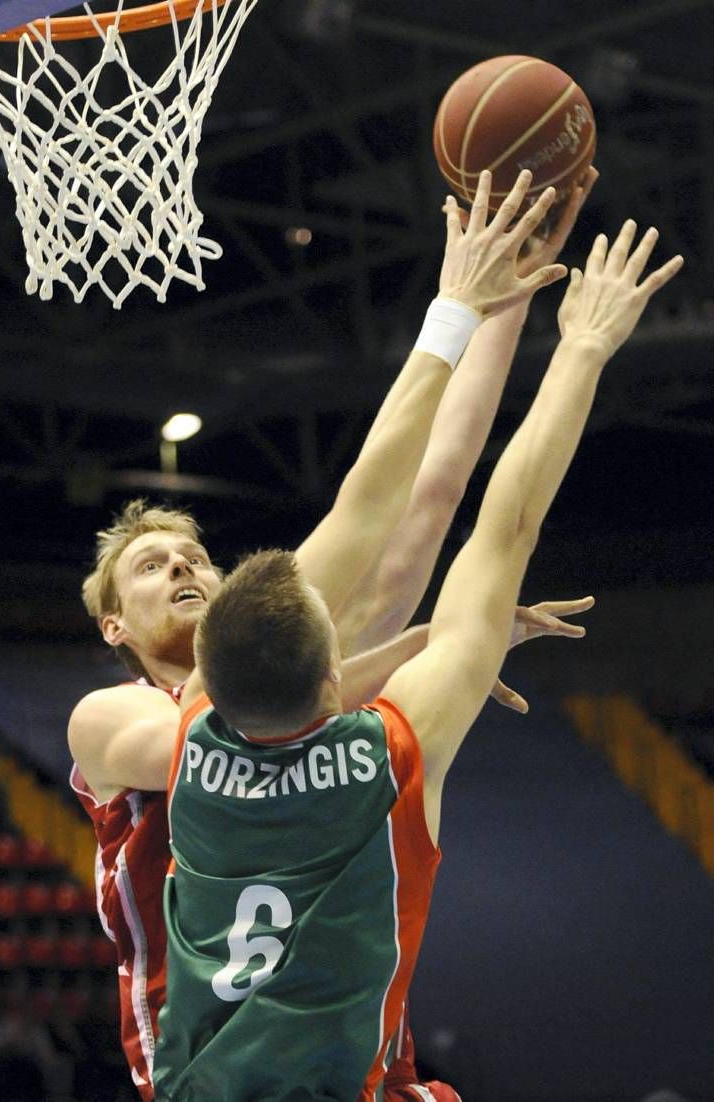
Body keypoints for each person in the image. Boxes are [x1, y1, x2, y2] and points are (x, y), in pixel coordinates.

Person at [70, 169, 583, 1101]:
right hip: (206, 1067)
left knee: (423, 521)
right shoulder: (108, 720)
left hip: (349, 1052)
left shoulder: (282, 680)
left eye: (193, 557)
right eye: (150, 567)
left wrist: (507, 294)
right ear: (113, 624)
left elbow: (427, 498)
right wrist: (438, 647)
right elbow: (246, 708)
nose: (181, 569)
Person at [149, 213, 683, 1099]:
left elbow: (486, 527)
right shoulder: (382, 755)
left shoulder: (196, 728)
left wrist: (574, 346)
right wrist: (548, 330)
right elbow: (382, 507)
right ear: (336, 677)